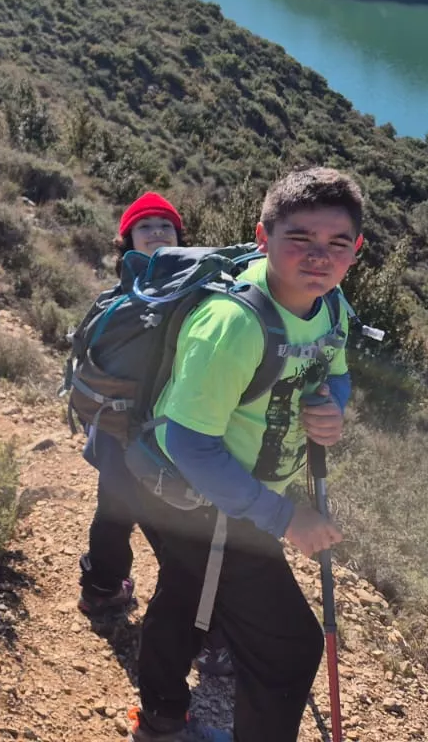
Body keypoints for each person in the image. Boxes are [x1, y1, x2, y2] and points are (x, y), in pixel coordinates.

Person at [129, 167, 359, 742]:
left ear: (356, 251)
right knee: (290, 648)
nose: (318, 257)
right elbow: (190, 444)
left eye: (336, 244)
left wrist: (332, 407)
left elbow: (335, 372)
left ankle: (160, 717)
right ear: (263, 238)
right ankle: (163, 714)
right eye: (299, 239)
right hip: (203, 502)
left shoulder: (330, 305)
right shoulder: (231, 325)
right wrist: (287, 519)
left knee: (185, 596)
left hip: (239, 498)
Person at [78, 193, 186, 614]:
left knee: (119, 508)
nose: (157, 232)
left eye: (166, 225)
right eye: (145, 226)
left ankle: (103, 589)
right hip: (143, 428)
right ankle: (193, 615)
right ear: (127, 240)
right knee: (151, 516)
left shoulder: (123, 293)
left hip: (123, 427)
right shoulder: (128, 295)